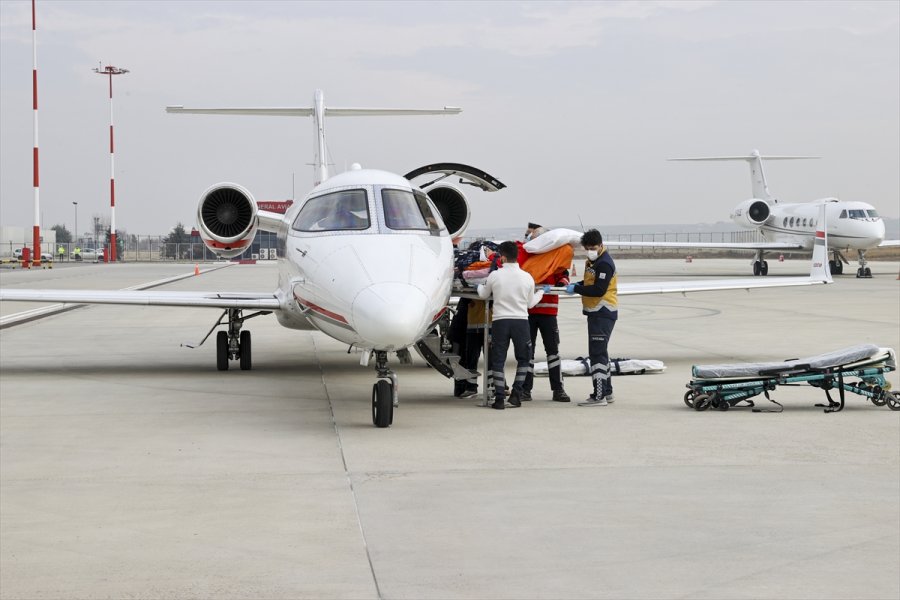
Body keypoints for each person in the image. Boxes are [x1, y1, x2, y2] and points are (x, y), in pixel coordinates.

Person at [477, 241, 543, 409]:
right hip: (521, 321)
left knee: (498, 360)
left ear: (503, 257)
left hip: (500, 321)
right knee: (524, 359)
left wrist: (479, 286)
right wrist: (541, 293)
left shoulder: (495, 275)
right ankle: (516, 394)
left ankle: (499, 398)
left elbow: (484, 295)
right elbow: (530, 304)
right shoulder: (527, 277)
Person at [565, 229, 617, 406]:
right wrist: (576, 285)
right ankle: (607, 392)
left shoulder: (604, 264)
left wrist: (577, 290)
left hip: (603, 313)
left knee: (597, 355)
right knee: (601, 352)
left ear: (601, 245)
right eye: (587, 248)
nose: (590, 251)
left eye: (593, 247)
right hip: (595, 313)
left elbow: (599, 289)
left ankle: (599, 395)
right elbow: (589, 283)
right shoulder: (592, 262)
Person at [520, 227, 572, 402]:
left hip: (548, 312)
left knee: (553, 352)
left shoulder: (555, 258)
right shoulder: (527, 256)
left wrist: (561, 282)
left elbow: (564, 276)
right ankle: (525, 389)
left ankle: (558, 389)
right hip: (529, 312)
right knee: (528, 352)